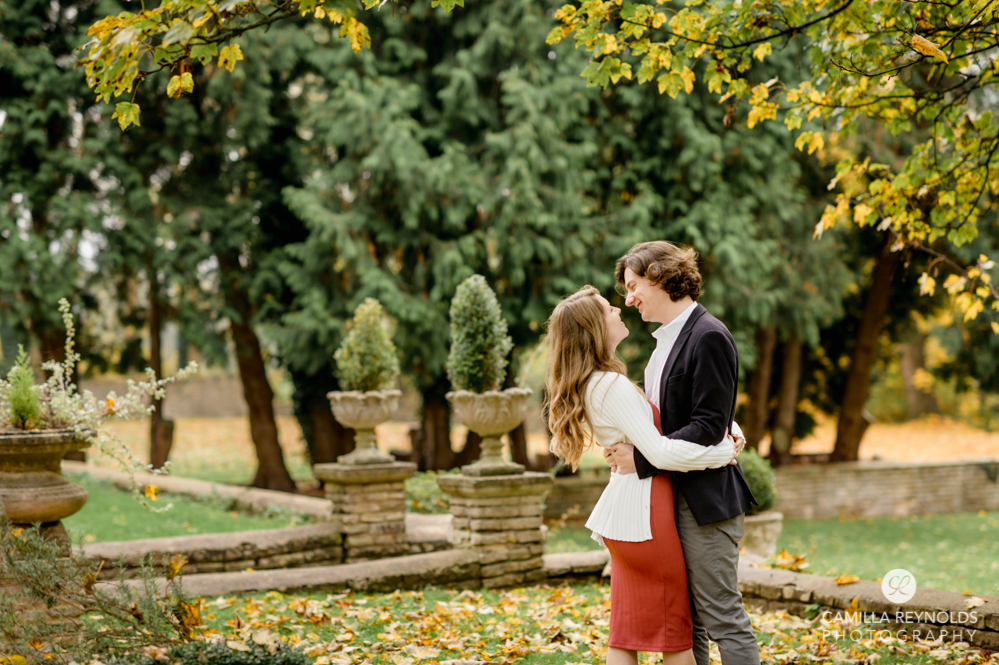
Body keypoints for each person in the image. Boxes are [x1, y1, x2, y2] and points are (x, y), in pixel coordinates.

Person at [544, 285, 743, 665]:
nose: (619, 308)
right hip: (646, 517)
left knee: (625, 633)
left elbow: (676, 422)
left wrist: (728, 430)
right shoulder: (610, 385)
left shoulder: (598, 381)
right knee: (675, 636)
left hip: (628, 516)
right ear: (593, 329)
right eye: (608, 309)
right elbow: (660, 451)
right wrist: (723, 451)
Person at [604, 241, 760, 665]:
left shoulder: (708, 336)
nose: (629, 299)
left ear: (660, 276)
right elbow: (683, 420)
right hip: (670, 497)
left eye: (633, 286)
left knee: (721, 616)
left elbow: (707, 426)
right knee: (688, 623)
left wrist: (638, 459)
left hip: (706, 502)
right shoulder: (663, 345)